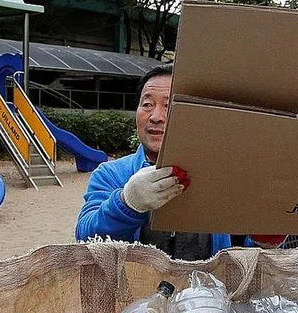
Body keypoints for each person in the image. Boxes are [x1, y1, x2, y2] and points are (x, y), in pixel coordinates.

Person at [75, 64, 284, 260]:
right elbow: (85, 239)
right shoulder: (110, 174)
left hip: (207, 296)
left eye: (169, 105)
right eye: (147, 104)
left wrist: (265, 240)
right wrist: (127, 202)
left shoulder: (223, 176)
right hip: (136, 297)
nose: (156, 116)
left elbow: (242, 259)